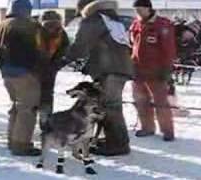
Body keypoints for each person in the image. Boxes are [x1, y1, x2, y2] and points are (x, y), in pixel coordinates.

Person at [59, 0, 134, 156]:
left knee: (109, 107)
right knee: (111, 106)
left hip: (108, 70)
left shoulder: (94, 19)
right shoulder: (114, 20)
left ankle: (118, 145)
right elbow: (111, 45)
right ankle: (116, 140)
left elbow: (80, 46)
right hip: (120, 68)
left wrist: (62, 60)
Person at [0, 0, 45, 156]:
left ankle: (12, 140)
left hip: (7, 72)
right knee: (27, 109)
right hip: (25, 72)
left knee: (17, 106)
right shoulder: (30, 26)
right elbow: (39, 50)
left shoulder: (1, 25)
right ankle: (21, 145)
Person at [129, 0, 176, 141]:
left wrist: (166, 69)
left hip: (156, 70)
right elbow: (132, 44)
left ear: (148, 8)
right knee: (140, 100)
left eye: (140, 9)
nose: (137, 12)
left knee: (161, 101)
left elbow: (169, 49)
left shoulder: (162, 24)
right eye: (136, 10)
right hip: (138, 68)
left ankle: (167, 130)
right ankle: (147, 127)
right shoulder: (136, 24)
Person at [38, 11, 70, 129]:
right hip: (51, 68)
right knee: (47, 95)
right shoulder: (61, 33)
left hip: (35, 69)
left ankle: (31, 123)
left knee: (32, 96)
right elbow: (66, 51)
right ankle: (45, 122)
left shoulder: (37, 30)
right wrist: (57, 65)